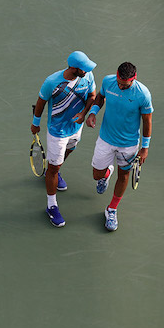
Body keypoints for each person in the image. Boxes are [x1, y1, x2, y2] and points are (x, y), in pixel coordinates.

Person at [31, 51, 97, 227]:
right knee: (53, 167)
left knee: (68, 152)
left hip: (76, 127)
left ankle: (54, 169)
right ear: (74, 68)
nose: (87, 71)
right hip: (57, 132)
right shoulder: (52, 82)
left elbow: (92, 96)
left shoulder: (88, 75)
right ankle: (51, 206)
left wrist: (84, 114)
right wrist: (35, 123)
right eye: (84, 68)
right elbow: (41, 102)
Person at [86, 62, 153, 231]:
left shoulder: (143, 94)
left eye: (125, 84)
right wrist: (93, 112)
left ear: (133, 79)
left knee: (124, 176)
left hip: (128, 145)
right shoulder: (109, 81)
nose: (121, 86)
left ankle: (112, 209)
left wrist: (144, 148)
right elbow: (100, 97)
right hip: (106, 139)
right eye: (119, 83)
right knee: (96, 175)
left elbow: (147, 121)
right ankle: (106, 173)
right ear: (116, 75)